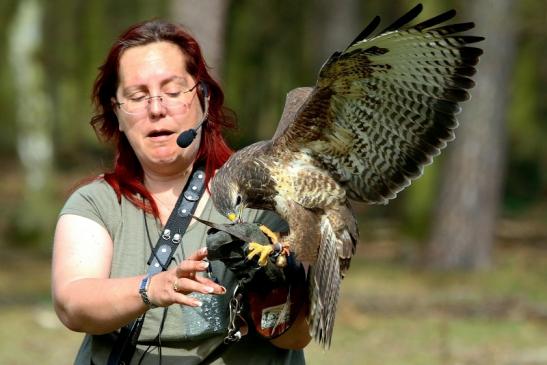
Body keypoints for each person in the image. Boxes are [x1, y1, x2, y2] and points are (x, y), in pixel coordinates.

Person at [52, 20, 310, 365]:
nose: (156, 108)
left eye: (173, 91)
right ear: (117, 112)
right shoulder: (95, 203)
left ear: (203, 99)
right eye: (137, 95)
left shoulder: (264, 196)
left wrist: (274, 289)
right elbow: (73, 304)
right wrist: (152, 288)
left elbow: (300, 335)